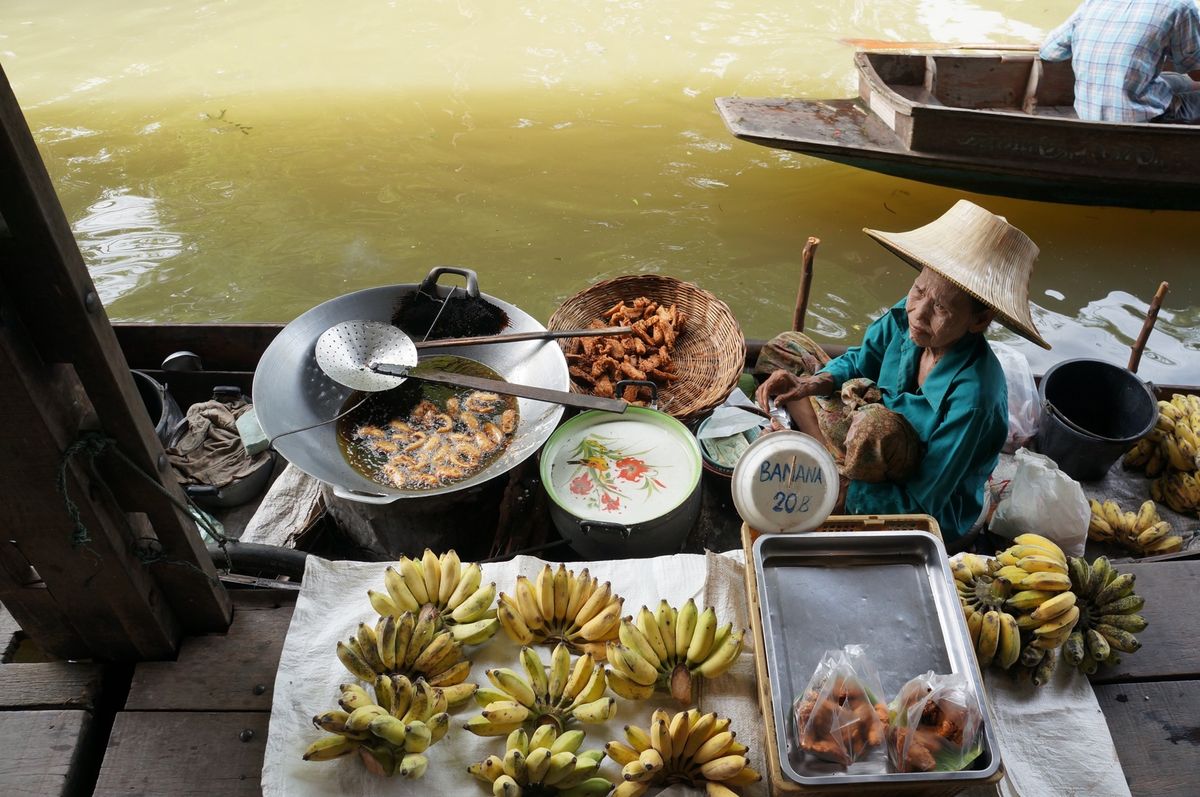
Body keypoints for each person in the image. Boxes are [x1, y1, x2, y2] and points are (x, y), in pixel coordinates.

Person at [755, 200, 1051, 544]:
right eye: (919, 291)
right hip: (868, 431)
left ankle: (836, 477)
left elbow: (923, 502)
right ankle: (830, 457)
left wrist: (834, 493)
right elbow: (860, 361)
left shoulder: (975, 399)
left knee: (874, 428)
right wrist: (809, 383)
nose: (918, 314)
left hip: (919, 494)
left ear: (980, 320)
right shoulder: (910, 314)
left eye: (939, 307)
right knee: (787, 348)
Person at [1039, 0, 1200, 123]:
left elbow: (1048, 51)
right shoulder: (1181, 6)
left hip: (1087, 114)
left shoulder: (1093, 3)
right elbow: (1196, 71)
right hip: (1142, 118)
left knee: (1177, 80)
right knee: (1186, 81)